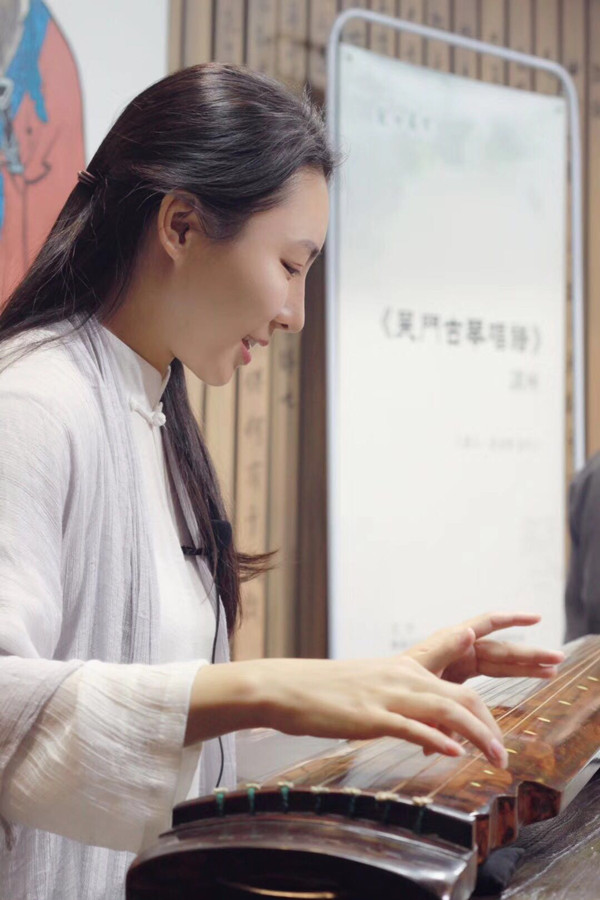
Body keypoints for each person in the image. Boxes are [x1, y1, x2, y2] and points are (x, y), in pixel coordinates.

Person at [0, 63, 563, 900]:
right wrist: (276, 685)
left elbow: (181, 753)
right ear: (182, 226)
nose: (294, 314)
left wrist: (381, 688)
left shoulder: (155, 413)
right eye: (291, 266)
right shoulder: (32, 401)